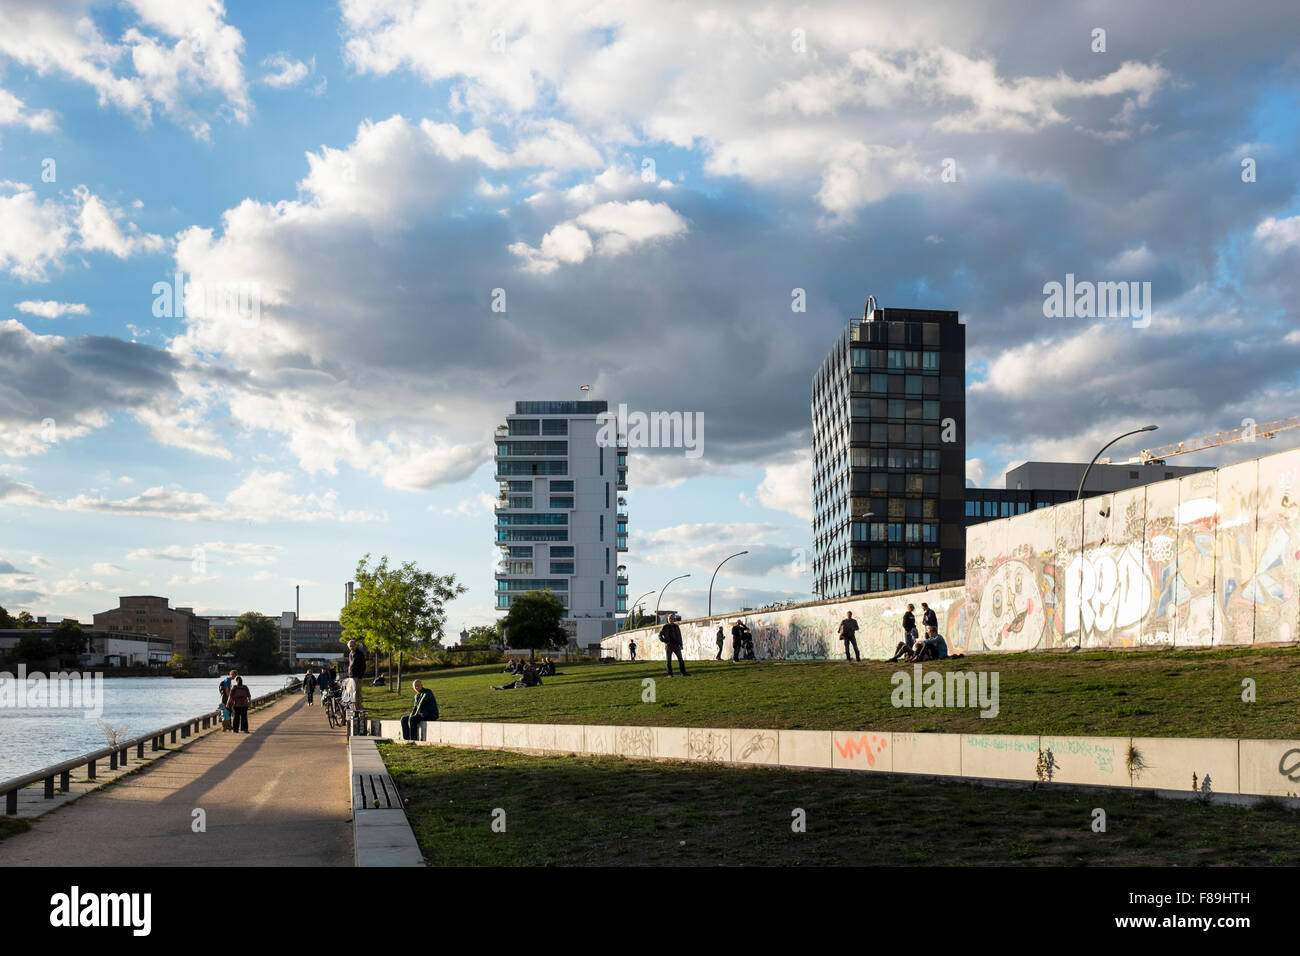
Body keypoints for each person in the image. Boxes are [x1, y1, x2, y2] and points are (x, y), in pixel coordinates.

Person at [347, 640, 367, 710]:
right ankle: (354, 709)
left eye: (352, 646)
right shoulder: (350, 654)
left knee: (357, 694)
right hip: (351, 676)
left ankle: (358, 709)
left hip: (357, 676)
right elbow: (350, 665)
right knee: (352, 693)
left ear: (356, 645)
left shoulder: (360, 654)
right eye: (350, 646)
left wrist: (360, 676)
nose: (351, 647)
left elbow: (363, 666)